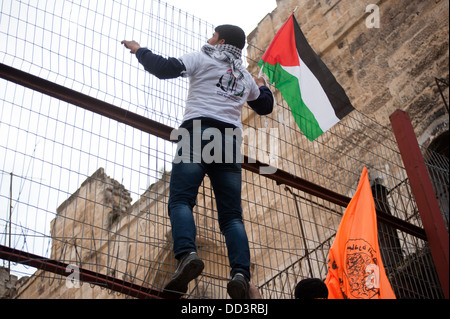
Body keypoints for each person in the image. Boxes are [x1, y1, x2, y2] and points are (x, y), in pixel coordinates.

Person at [122, 24, 273, 299]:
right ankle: (240, 273)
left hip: (197, 134)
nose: (208, 38)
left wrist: (138, 50)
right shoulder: (244, 77)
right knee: (231, 217)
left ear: (220, 41)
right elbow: (264, 106)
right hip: (229, 143)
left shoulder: (203, 57)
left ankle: (187, 256)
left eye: (212, 35)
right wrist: (263, 88)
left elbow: (163, 68)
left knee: (181, 200)